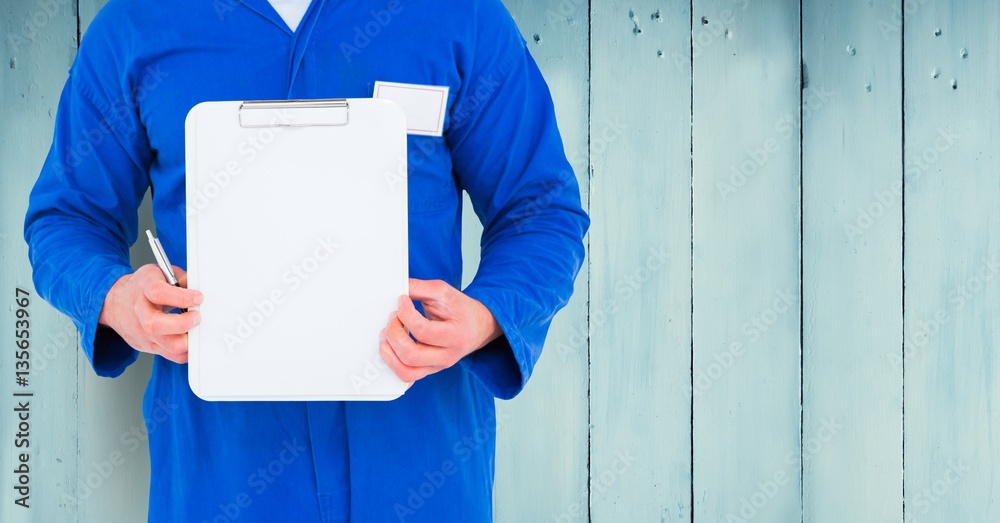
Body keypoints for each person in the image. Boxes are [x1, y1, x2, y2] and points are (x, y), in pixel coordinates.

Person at [23, 0, 588, 520]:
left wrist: (488, 316)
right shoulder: (135, 24)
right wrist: (114, 298)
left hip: (422, 473)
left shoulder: (461, 16)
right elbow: (67, 219)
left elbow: (541, 211)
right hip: (220, 481)